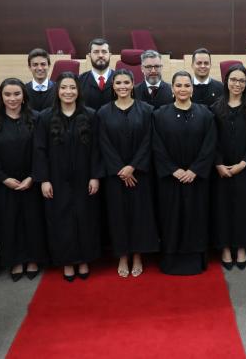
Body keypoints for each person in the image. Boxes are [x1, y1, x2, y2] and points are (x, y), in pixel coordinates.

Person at [34, 72, 102, 281]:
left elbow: (96, 149)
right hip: (56, 179)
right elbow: (40, 149)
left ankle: (83, 260)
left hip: (84, 178)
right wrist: (44, 179)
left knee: (84, 218)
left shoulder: (91, 115)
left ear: (78, 91)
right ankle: (66, 262)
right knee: (61, 221)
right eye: (64, 88)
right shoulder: (45, 117)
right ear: (58, 91)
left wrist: (94, 176)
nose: (68, 92)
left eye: (72, 88)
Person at [0, 78, 48, 281]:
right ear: (1, 97)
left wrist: (32, 176)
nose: (12, 98)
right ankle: (15, 260)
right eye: (7, 94)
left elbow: (42, 151)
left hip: (32, 180)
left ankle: (33, 258)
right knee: (8, 222)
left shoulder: (36, 119)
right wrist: (3, 178)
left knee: (33, 221)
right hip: (4, 183)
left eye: (17, 94)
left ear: (24, 96)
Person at [152, 70, 216, 275]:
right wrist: (174, 170)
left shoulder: (206, 114)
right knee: (171, 218)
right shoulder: (159, 114)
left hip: (197, 180)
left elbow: (210, 145)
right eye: (178, 85)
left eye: (186, 85)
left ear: (192, 88)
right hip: (170, 180)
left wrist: (195, 170)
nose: (182, 89)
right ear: (172, 89)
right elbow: (156, 146)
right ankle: (171, 260)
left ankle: (195, 260)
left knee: (196, 218)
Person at [97, 69, 159, 278]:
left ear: (133, 84)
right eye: (118, 83)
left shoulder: (147, 110)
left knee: (140, 215)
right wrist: (119, 169)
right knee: (118, 216)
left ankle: (138, 254)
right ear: (112, 86)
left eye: (126, 82)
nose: (122, 86)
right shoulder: (103, 112)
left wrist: (133, 166)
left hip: (140, 174)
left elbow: (149, 141)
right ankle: (123, 255)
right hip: (115, 176)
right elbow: (103, 143)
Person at [211, 64, 246, 270]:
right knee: (222, 208)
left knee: (244, 209)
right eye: (233, 80)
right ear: (226, 81)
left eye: (241, 80)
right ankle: (224, 247)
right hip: (220, 169)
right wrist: (218, 163)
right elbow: (211, 140)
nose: (237, 84)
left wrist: (243, 163)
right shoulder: (214, 108)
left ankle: (241, 247)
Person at [79, 38, 114, 111]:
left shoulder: (120, 80)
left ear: (110, 55)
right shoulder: (79, 80)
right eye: (96, 52)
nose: (100, 55)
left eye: (104, 52)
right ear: (89, 55)